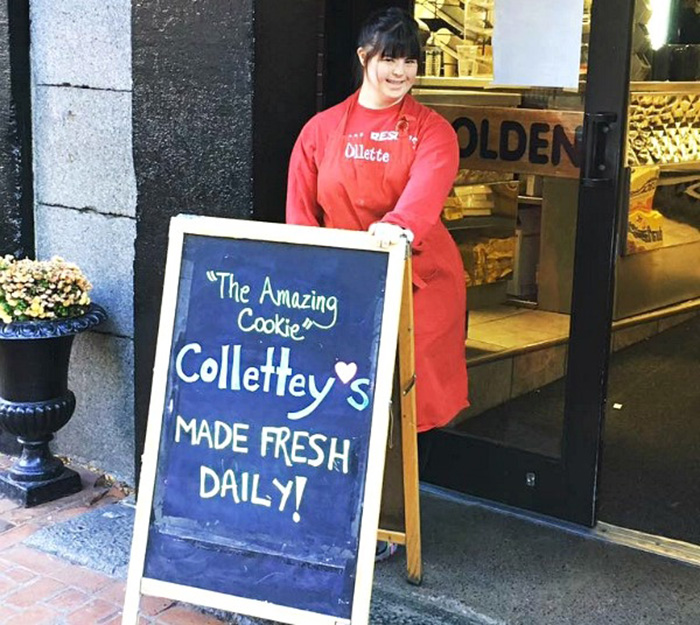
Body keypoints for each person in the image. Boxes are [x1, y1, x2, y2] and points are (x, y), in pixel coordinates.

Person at [286, 7, 469, 558]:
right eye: (390, 58)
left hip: (420, 281)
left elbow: (422, 200)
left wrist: (392, 231)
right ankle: (337, 509)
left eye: (410, 60)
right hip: (343, 282)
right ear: (364, 58)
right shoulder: (320, 130)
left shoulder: (433, 131)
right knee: (339, 398)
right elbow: (300, 212)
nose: (402, 71)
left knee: (406, 401)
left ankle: (392, 516)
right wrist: (313, 269)